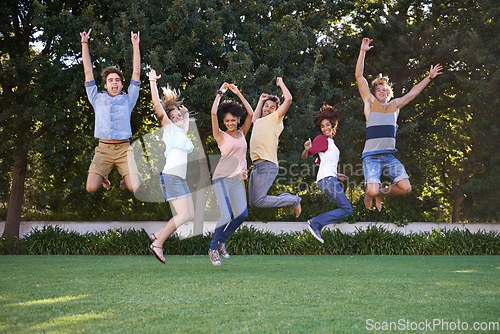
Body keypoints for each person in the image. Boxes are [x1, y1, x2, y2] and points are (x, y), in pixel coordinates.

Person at [355, 37, 443, 211]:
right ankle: (371, 192)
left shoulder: (395, 105)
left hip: (389, 156)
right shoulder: (370, 102)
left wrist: (429, 78)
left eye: (384, 90)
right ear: (374, 93)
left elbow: (413, 93)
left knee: (406, 188)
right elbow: (359, 76)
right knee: (371, 191)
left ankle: (379, 193)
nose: (381, 91)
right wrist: (362, 52)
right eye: (378, 89)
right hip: (371, 157)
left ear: (388, 93)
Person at [80, 29, 141, 193]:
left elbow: (136, 72)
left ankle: (124, 176)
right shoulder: (96, 98)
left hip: (124, 150)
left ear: (122, 84)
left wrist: (135, 45)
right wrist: (84, 43)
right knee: (91, 188)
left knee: (135, 187)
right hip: (103, 150)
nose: (114, 83)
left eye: (117, 80)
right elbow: (88, 71)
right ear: (105, 85)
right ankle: (103, 176)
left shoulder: (129, 99)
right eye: (110, 80)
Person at [147, 69, 195, 264]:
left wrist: (186, 115)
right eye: (174, 116)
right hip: (171, 176)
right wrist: (152, 81)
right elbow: (157, 104)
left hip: (179, 178)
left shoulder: (180, 132)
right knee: (183, 214)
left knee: (190, 214)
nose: (177, 117)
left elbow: (185, 126)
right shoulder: (168, 128)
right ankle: (158, 243)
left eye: (178, 115)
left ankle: (157, 235)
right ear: (168, 118)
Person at [208, 83, 254, 266]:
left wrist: (238, 93)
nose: (230, 123)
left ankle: (221, 240)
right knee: (226, 215)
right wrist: (219, 93)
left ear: (237, 119)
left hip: (236, 180)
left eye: (233, 120)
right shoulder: (220, 135)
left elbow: (250, 114)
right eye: (227, 121)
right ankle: (213, 249)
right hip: (221, 178)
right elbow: (213, 114)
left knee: (242, 214)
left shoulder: (243, 133)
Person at [248, 78, 302, 217]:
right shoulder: (259, 121)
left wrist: (281, 83)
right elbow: (254, 118)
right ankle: (287, 200)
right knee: (254, 203)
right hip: (256, 165)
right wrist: (261, 101)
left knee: (259, 201)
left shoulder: (275, 119)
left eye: (272, 107)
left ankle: (293, 200)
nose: (268, 109)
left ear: (276, 110)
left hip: (267, 164)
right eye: (266, 106)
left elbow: (288, 99)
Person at [301, 105, 353, 243]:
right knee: (347, 209)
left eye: (328, 125)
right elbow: (306, 155)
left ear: (333, 125)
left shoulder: (330, 143)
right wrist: (306, 149)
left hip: (328, 179)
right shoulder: (322, 139)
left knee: (346, 209)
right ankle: (316, 223)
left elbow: (320, 163)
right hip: (327, 181)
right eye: (323, 126)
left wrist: (336, 175)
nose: (325, 128)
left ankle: (316, 224)